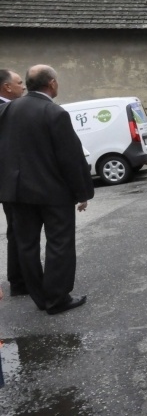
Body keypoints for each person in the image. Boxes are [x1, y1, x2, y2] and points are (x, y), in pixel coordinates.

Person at [0, 65, 94, 315]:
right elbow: (70, 157)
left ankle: (39, 296)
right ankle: (56, 298)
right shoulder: (54, 112)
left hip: (17, 192)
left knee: (26, 244)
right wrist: (82, 192)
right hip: (52, 193)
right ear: (51, 83)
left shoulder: (7, 108)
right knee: (59, 243)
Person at [0, 69, 27, 297]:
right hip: (11, 182)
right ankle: (21, 281)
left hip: (9, 181)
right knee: (21, 231)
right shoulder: (6, 109)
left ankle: (19, 280)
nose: (24, 86)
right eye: (19, 83)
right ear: (7, 87)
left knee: (16, 231)